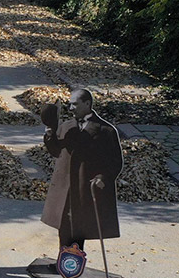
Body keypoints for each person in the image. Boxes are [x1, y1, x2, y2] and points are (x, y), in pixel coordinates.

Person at [41, 88, 123, 252]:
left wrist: (102, 177)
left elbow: (115, 161)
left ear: (87, 104)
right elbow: (56, 151)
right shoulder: (66, 126)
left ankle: (74, 265)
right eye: (69, 105)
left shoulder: (106, 130)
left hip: (85, 186)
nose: (71, 109)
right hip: (65, 186)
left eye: (75, 105)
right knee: (64, 225)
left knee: (80, 226)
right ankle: (63, 262)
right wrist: (50, 133)